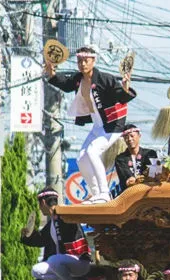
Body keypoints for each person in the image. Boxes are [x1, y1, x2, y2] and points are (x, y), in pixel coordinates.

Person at [45, 45, 136, 203]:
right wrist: (52, 73)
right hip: (99, 125)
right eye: (79, 61)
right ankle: (95, 193)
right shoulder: (78, 79)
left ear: (93, 61)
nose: (82, 64)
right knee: (81, 157)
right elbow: (66, 84)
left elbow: (120, 95)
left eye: (86, 61)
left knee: (93, 151)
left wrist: (125, 87)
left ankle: (104, 192)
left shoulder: (104, 79)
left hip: (113, 125)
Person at [21, 187, 92, 280]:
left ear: (43, 202)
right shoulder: (52, 223)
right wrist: (27, 235)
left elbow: (75, 212)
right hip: (63, 264)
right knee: (36, 270)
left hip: (79, 262)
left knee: (53, 260)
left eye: (39, 205)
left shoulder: (64, 214)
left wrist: (85, 202)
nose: (40, 209)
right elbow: (41, 240)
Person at [114, 124, 158, 191]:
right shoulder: (120, 159)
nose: (129, 139)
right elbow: (127, 178)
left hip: (149, 191)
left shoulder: (151, 154)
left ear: (139, 136)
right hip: (129, 193)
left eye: (132, 136)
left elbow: (156, 173)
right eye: (126, 137)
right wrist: (132, 179)